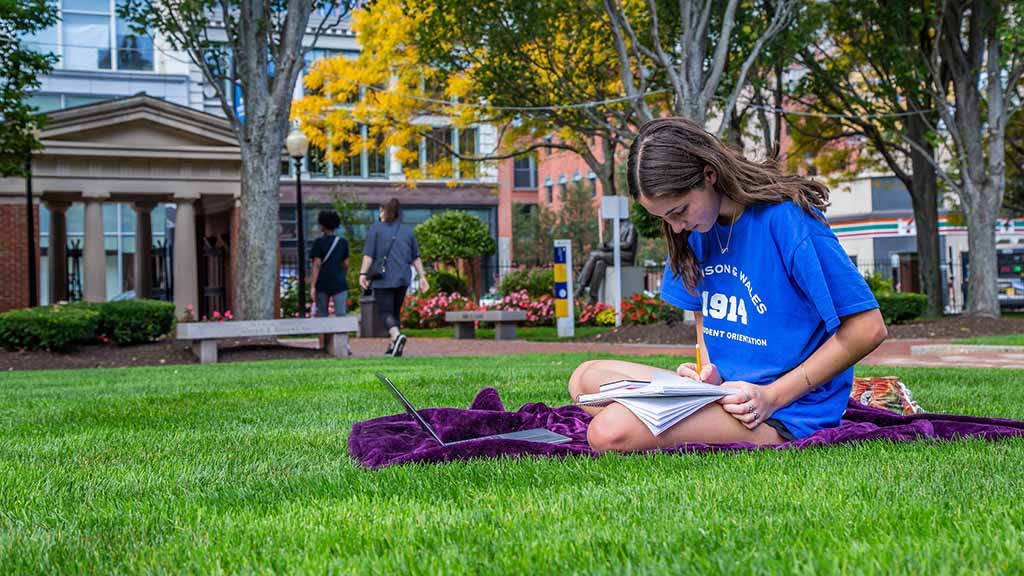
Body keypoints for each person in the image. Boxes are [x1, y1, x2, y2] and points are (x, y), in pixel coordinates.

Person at [568, 117, 888, 452]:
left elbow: (868, 328)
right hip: (723, 393)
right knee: (586, 377)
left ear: (710, 174)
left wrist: (771, 396)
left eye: (679, 211)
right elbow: (705, 319)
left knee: (608, 431)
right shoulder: (696, 230)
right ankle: (683, 416)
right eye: (664, 219)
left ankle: (696, 423)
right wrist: (707, 374)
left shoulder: (788, 221)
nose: (676, 228)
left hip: (781, 409)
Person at [359, 199, 429, 357]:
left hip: (384, 278)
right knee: (395, 312)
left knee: (384, 312)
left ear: (384, 211)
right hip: (403, 278)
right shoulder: (407, 231)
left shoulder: (375, 229)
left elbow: (369, 255)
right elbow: (415, 257)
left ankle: (397, 337)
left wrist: (363, 274)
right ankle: (394, 347)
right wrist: (423, 276)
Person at [574, 218, 638, 303]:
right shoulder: (617, 227)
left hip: (626, 256)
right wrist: (605, 246)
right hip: (616, 254)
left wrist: (608, 245)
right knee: (600, 263)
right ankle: (593, 294)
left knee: (594, 255)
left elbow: (627, 244)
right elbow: (613, 244)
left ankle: (581, 287)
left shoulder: (631, 226)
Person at [309, 210, 350, 319]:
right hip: (339, 283)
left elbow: (316, 265)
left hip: (322, 283)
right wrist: (343, 276)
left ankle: (324, 336)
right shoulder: (343, 242)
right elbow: (346, 264)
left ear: (322, 225)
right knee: (341, 315)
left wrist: (313, 286)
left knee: (322, 316)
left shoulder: (318, 243)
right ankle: (341, 336)